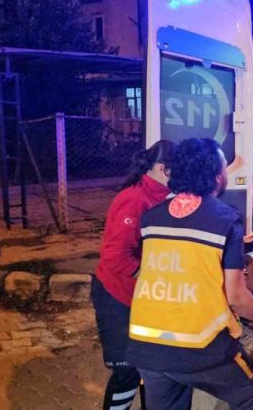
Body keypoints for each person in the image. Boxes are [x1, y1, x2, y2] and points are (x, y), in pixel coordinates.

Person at [126, 138, 253, 410]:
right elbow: (236, 297)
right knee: (248, 392)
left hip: (146, 346)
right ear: (216, 176)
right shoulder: (225, 220)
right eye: (225, 167)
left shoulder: (151, 218)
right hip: (199, 346)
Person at [91, 139, 176, 410]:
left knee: (150, 368)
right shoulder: (134, 199)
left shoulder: (163, 196)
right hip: (117, 296)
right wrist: (150, 277)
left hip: (141, 296)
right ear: (162, 168)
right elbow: (116, 256)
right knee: (127, 371)